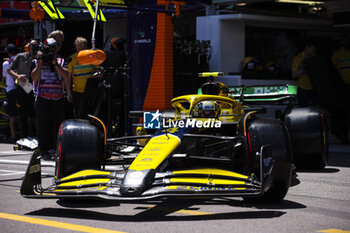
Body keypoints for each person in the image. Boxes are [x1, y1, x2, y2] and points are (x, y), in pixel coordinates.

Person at [31, 30, 70, 160]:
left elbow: (65, 75)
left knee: (58, 125)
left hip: (58, 97)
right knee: (43, 125)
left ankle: (57, 148)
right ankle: (44, 149)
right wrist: (41, 62)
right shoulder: (38, 60)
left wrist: (55, 64)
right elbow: (34, 77)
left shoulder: (60, 60)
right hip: (43, 97)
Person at [7, 39, 38, 139]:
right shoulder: (20, 57)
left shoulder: (40, 57)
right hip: (24, 85)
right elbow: (9, 69)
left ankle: (38, 135)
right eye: (31, 47)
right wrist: (18, 76)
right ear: (28, 47)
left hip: (37, 86)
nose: (33, 49)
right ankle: (24, 136)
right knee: (22, 112)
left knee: (36, 112)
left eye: (35, 47)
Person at [67, 36, 96, 118]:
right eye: (78, 45)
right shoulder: (72, 59)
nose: (80, 47)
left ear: (86, 46)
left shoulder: (92, 56)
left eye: (82, 45)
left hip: (91, 91)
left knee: (91, 115)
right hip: (77, 92)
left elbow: (99, 72)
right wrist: (69, 92)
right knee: (79, 115)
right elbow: (68, 77)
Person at [292, 39, 318, 107]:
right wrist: (302, 70)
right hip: (303, 89)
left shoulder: (315, 57)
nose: (313, 52)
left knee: (315, 108)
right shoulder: (298, 58)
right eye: (312, 50)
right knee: (303, 109)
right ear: (306, 47)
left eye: (314, 50)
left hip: (314, 88)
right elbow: (294, 75)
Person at [2, 44, 17, 143]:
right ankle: (27, 134)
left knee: (12, 114)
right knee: (26, 113)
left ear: (8, 52)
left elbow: (4, 77)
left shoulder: (6, 63)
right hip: (22, 89)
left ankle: (13, 135)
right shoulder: (21, 59)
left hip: (11, 90)